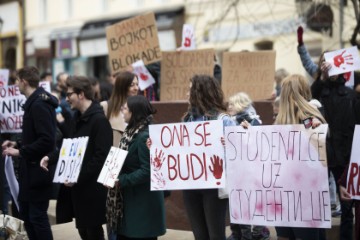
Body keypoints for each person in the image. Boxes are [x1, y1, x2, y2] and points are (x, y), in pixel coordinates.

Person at [42, 75, 113, 239]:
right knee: (84, 231)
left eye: (69, 95)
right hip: (78, 188)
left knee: (93, 233)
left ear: (81, 94)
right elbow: (68, 148)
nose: (67, 99)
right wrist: (50, 158)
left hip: (92, 189)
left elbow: (101, 157)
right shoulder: (77, 118)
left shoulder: (99, 121)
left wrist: (78, 177)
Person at [2, 66, 57, 240]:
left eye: (17, 80)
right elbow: (35, 135)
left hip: (38, 171)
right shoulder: (33, 103)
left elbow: (47, 139)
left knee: (37, 217)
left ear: (24, 81)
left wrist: (20, 151)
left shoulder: (39, 105)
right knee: (27, 214)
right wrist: (18, 143)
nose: (16, 84)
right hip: (30, 171)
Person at [182, 74, 235, 240]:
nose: (186, 94)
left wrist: (231, 144)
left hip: (214, 187)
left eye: (190, 90)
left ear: (200, 93)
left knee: (216, 235)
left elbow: (239, 153)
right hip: (191, 186)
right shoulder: (187, 120)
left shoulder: (224, 120)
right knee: (200, 235)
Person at [106, 95, 166, 239]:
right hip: (131, 201)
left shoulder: (144, 137)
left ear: (134, 112)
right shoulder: (131, 132)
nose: (122, 110)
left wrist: (121, 180)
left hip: (142, 204)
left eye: (125, 108)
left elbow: (148, 171)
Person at [274, 74, 325, 240]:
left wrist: (310, 120)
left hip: (293, 193)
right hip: (296, 193)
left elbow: (315, 129)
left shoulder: (309, 114)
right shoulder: (282, 120)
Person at [311, 53, 356, 240]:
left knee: (347, 205)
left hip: (345, 156)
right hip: (322, 155)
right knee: (318, 203)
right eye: (326, 64)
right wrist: (322, 78)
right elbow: (311, 96)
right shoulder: (318, 94)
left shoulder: (352, 96)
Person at [226, 92, 269, 240]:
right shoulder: (229, 122)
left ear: (241, 105)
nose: (228, 107)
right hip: (235, 171)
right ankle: (238, 233)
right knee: (236, 202)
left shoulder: (254, 121)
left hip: (252, 172)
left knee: (254, 201)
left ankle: (257, 232)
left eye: (232, 104)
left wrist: (251, 131)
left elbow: (260, 146)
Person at [100, 71, 139, 147]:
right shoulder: (105, 106)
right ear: (122, 86)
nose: (136, 88)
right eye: (132, 85)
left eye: (137, 84)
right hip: (114, 155)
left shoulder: (139, 108)